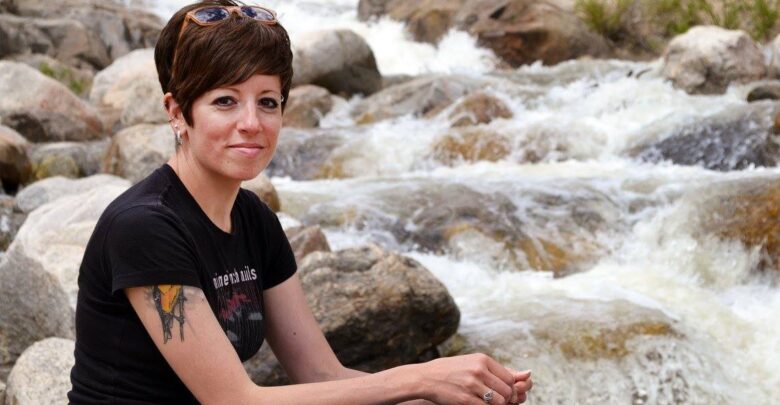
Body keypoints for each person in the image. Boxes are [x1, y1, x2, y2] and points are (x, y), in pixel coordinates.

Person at [67, 1, 533, 403]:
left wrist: (453, 393)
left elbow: (322, 377)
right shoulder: (145, 227)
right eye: (226, 101)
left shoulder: (253, 220)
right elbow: (233, 399)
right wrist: (421, 376)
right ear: (176, 113)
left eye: (268, 102)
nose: (252, 122)